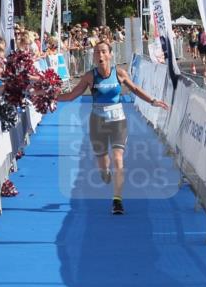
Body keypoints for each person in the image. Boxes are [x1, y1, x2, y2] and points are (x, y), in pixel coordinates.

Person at [56, 41, 170, 215]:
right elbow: (71, 95)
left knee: (118, 159)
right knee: (103, 165)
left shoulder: (119, 73)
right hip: (97, 123)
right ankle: (105, 171)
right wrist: (51, 96)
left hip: (118, 121)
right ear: (93, 57)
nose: (99, 55)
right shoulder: (89, 76)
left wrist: (153, 101)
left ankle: (117, 200)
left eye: (103, 52)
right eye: (96, 52)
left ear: (110, 55)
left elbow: (136, 89)